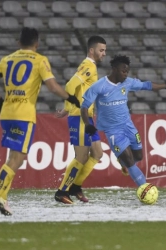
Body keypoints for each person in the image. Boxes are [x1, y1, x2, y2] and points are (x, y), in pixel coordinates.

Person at [0, 27, 80, 218]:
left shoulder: (7, 59)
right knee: (17, 159)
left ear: (19, 43)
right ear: (37, 43)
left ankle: (2, 198)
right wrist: (71, 98)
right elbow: (52, 86)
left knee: (12, 158)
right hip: (24, 115)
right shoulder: (40, 60)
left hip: (7, 113)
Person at [81, 55, 166, 189]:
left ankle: (122, 160)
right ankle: (145, 189)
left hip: (128, 125)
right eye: (123, 71)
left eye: (127, 71)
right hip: (113, 130)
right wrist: (88, 124)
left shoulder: (127, 82)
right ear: (114, 69)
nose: (126, 74)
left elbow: (146, 85)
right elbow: (84, 106)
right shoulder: (100, 86)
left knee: (138, 156)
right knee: (129, 160)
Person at [53, 36, 107, 204]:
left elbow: (78, 89)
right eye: (101, 50)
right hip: (80, 118)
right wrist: (71, 107)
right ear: (91, 50)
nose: (104, 53)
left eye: (105, 50)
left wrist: (67, 108)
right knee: (81, 157)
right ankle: (62, 192)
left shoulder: (91, 66)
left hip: (88, 117)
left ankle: (75, 187)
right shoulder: (88, 66)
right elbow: (70, 86)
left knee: (97, 153)